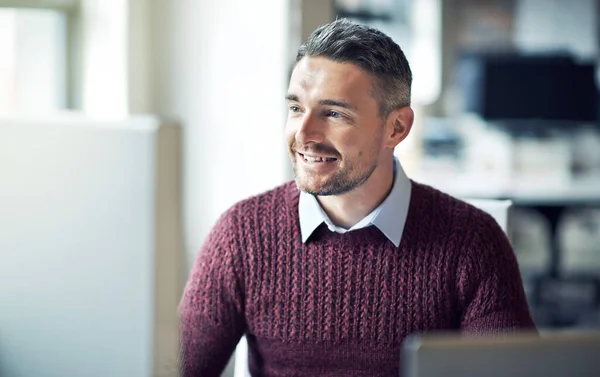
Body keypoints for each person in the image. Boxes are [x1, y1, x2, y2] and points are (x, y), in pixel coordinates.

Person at [178, 19, 536, 377]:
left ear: (396, 128)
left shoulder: (472, 242)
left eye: (333, 113)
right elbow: (177, 369)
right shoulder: (241, 235)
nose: (304, 135)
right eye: (296, 108)